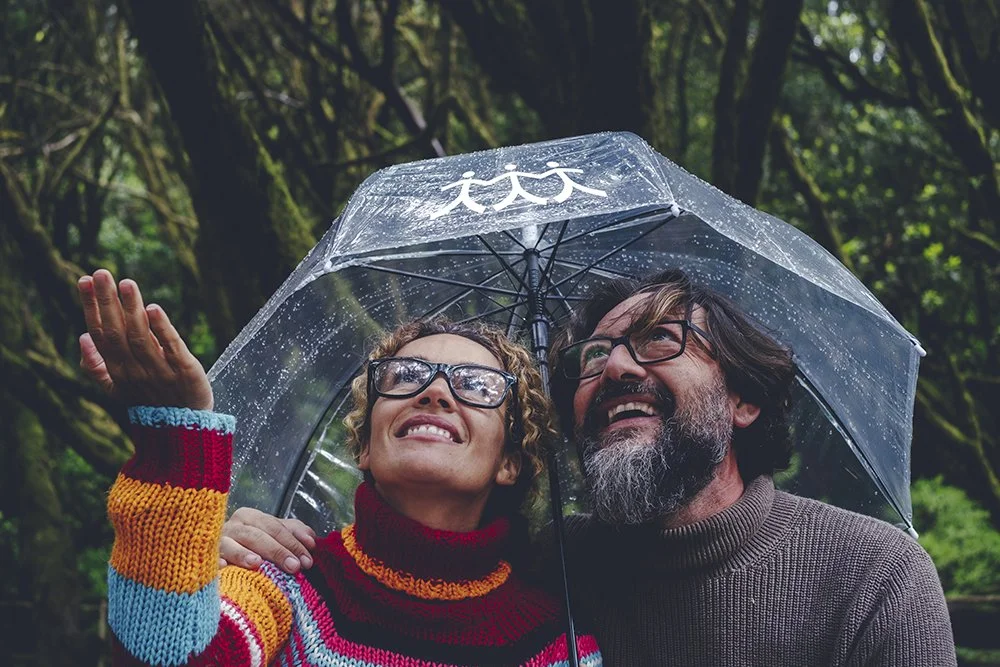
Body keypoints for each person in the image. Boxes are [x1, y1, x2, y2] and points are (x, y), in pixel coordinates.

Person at [220, 269, 957, 666]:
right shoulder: (551, 567)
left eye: (660, 339)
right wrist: (229, 540)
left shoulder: (873, 577)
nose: (617, 368)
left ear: (744, 398)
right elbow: (412, 569)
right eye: (592, 357)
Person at [79, 269, 601, 666]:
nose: (436, 392)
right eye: (405, 376)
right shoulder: (284, 583)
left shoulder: (561, 644)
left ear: (511, 460)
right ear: (366, 447)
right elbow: (168, 655)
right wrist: (176, 443)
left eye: (475, 386)